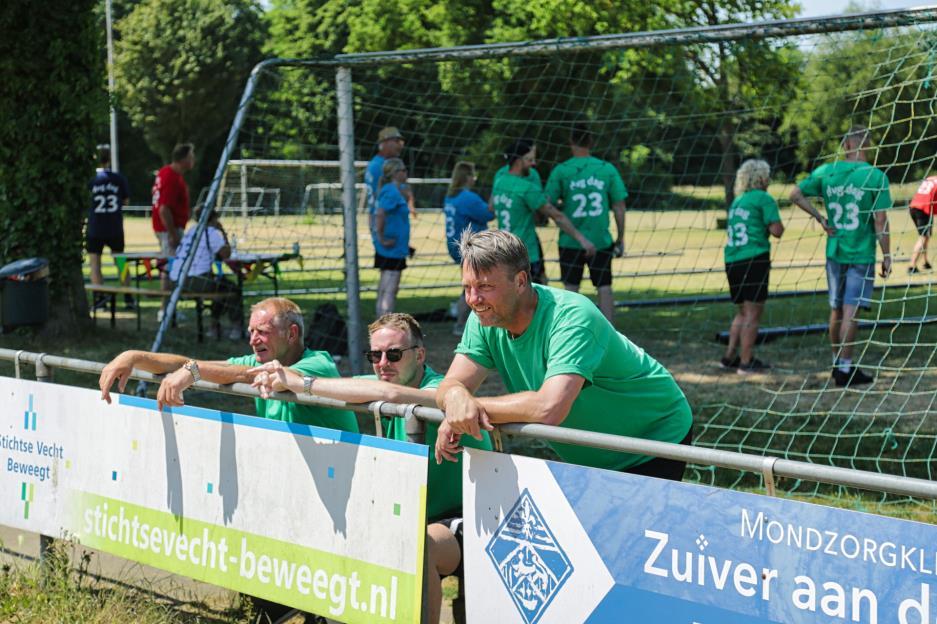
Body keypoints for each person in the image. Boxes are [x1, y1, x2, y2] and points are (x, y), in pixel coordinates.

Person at [249, 313, 492, 624]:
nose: (383, 364)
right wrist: (280, 378)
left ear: (420, 355)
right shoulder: (384, 383)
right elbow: (347, 385)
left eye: (394, 354)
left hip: (474, 518)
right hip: (415, 515)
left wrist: (303, 383)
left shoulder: (437, 390)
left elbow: (389, 395)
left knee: (420, 547)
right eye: (375, 356)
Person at [435, 229, 694, 481]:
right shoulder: (484, 317)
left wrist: (470, 409)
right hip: (594, 453)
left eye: (485, 286)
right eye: (467, 287)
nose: (473, 299)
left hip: (652, 438)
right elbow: (450, 384)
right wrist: (456, 399)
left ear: (521, 281)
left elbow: (550, 407)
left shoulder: (572, 317)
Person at [98, 296, 357, 433]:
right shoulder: (261, 360)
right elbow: (196, 364)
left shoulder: (318, 363)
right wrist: (133, 357)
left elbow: (251, 375)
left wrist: (194, 372)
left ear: (291, 334)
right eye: (251, 331)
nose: (253, 340)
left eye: (262, 332)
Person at [789, 126, 892, 387]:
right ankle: (845, 369)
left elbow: (794, 194)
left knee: (835, 309)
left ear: (846, 145)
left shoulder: (828, 171)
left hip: (834, 250)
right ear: (867, 145)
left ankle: (837, 362)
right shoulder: (875, 176)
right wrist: (887, 255)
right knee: (851, 311)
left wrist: (820, 218)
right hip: (861, 252)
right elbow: (880, 221)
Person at [544, 124, 627, 322]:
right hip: (600, 239)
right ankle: (609, 332)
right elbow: (619, 206)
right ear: (591, 142)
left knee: (571, 289)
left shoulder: (562, 170)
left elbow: (546, 203)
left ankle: (570, 330)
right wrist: (620, 237)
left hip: (570, 240)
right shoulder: (606, 169)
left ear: (571, 142)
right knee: (604, 287)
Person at [491, 139, 596, 286]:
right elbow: (557, 216)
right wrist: (583, 240)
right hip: (525, 252)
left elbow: (491, 207)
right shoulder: (527, 188)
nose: (533, 163)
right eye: (529, 160)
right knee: (537, 293)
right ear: (518, 161)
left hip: (504, 250)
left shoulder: (499, 182)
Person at [720, 159, 785, 374]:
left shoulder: (738, 201)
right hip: (754, 258)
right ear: (762, 177)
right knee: (753, 313)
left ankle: (729, 356)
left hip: (732, 259)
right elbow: (777, 230)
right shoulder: (763, 198)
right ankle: (746, 362)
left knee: (742, 311)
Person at [168, 210, 243, 340]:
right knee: (232, 288)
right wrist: (223, 232)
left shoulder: (191, 230)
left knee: (220, 286)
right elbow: (226, 254)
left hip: (175, 281)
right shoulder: (211, 232)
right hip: (195, 281)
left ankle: (214, 326)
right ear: (213, 219)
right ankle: (235, 328)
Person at [443, 161, 494, 335]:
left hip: (455, 246)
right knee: (474, 285)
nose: (475, 179)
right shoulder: (468, 197)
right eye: (473, 175)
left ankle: (464, 319)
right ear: (467, 177)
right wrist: (494, 196)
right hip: (469, 247)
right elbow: (489, 214)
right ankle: (461, 322)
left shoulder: (451, 196)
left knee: (471, 283)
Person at [151, 143, 196, 318]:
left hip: (169, 227)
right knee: (169, 268)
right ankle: (165, 310)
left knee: (172, 267)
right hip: (168, 229)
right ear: (183, 158)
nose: (193, 159)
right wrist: (172, 233)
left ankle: (170, 308)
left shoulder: (168, 173)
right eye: (191, 156)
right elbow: (164, 209)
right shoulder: (171, 176)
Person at [87, 145, 132, 311]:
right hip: (114, 227)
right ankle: (128, 296)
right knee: (120, 262)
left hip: (95, 227)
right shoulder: (118, 179)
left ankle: (99, 299)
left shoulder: (91, 180)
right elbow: (126, 201)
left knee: (95, 265)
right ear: (109, 158)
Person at [374, 158, 411, 316]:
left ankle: (381, 322)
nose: (406, 172)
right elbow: (380, 214)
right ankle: (384, 323)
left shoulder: (394, 190)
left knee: (386, 288)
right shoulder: (391, 191)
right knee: (389, 289)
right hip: (391, 248)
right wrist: (381, 237)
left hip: (396, 248)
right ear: (395, 173)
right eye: (403, 170)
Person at [363, 126, 415, 236]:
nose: (400, 145)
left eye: (401, 142)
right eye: (397, 141)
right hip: (386, 222)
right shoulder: (380, 166)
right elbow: (386, 197)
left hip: (387, 220)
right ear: (385, 143)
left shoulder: (387, 163)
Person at [907, 174, 935, 274]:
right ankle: (912, 266)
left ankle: (925, 262)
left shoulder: (930, 178)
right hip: (924, 209)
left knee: (926, 236)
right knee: (923, 237)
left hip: (914, 206)